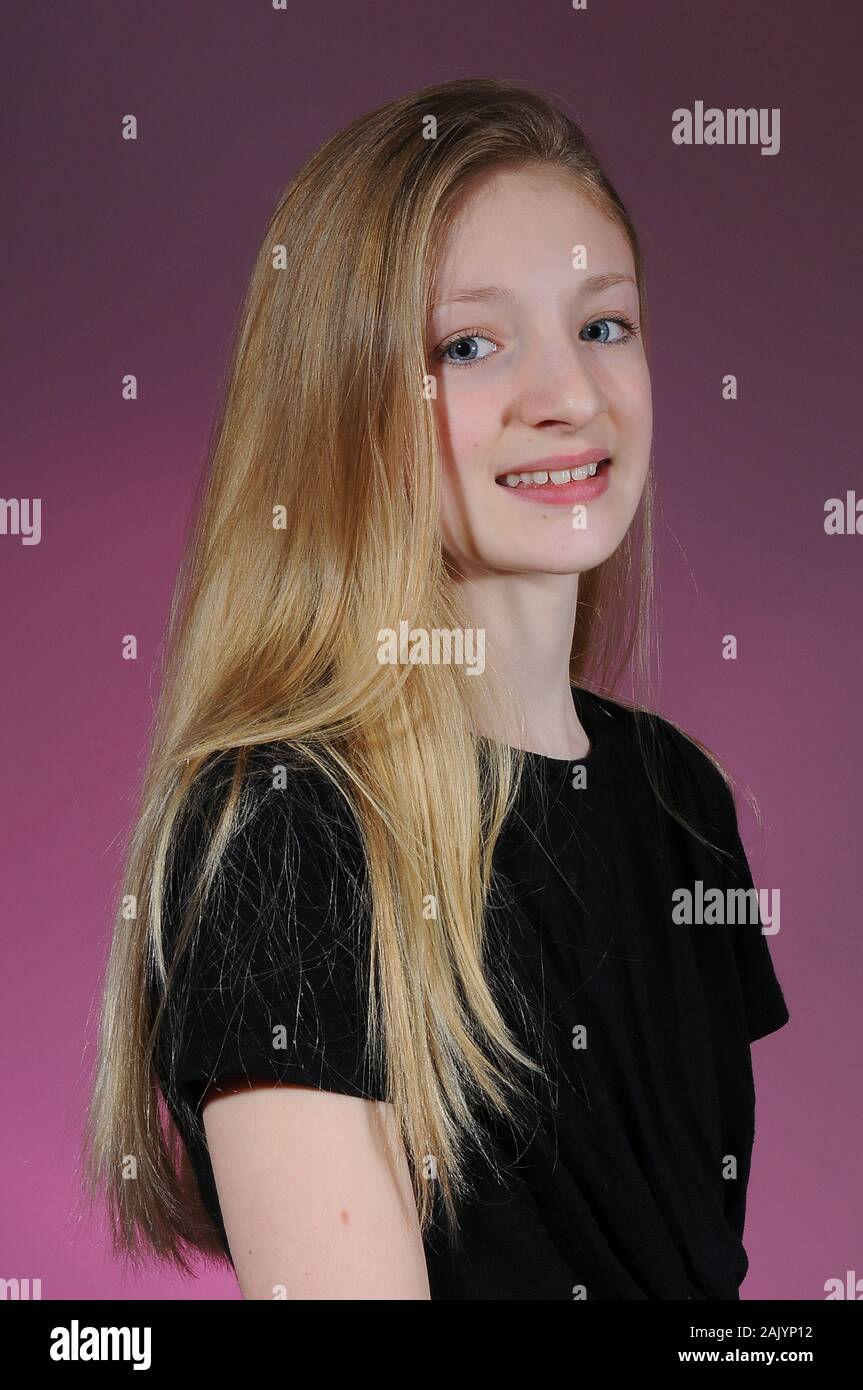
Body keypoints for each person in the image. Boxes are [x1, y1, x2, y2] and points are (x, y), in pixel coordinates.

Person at [84, 76, 789, 1300]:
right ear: (344, 405)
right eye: (469, 344)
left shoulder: (680, 803)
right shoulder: (283, 829)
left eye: (602, 324)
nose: (567, 395)